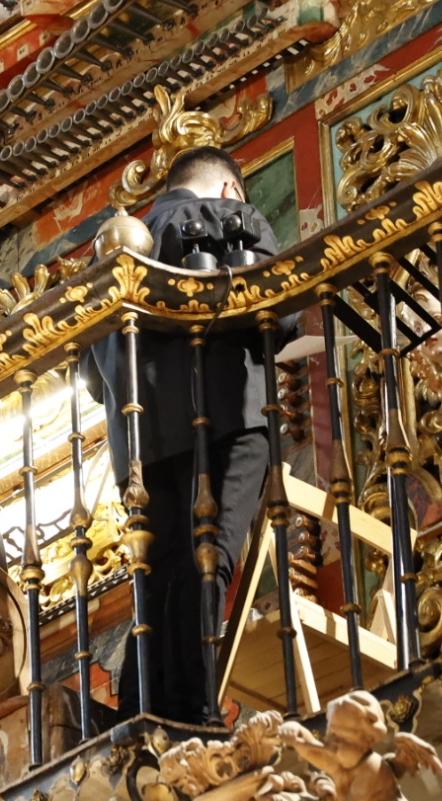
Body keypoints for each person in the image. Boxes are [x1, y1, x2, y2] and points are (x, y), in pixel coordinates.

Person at [85, 145, 293, 725]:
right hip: (227, 419)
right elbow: (281, 313)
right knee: (211, 559)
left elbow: (88, 376)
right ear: (230, 189)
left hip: (141, 447)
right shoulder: (232, 220)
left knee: (161, 575)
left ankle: (143, 709)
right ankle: (195, 709)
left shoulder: (116, 252)